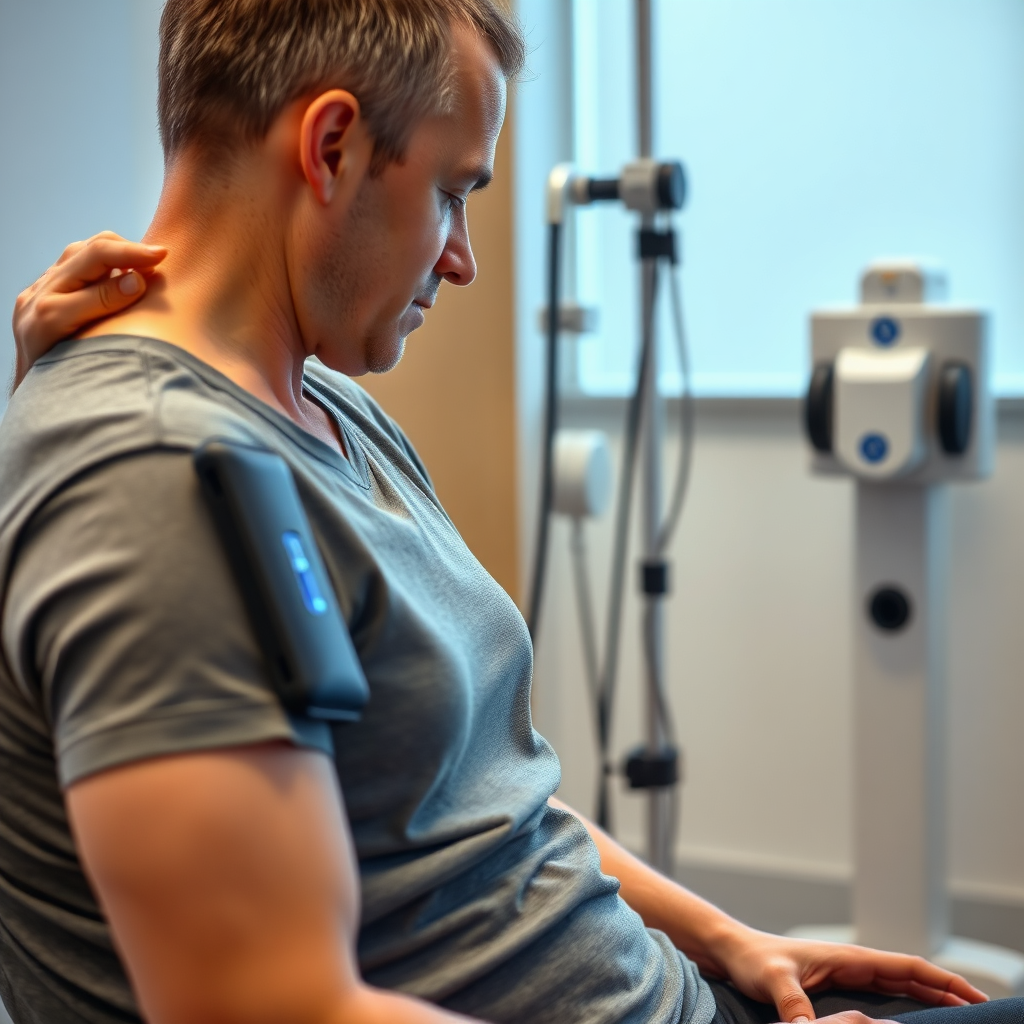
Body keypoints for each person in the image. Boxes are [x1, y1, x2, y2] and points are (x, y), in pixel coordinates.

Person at [0, 2, 1017, 1024]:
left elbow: (469, 797)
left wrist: (725, 938)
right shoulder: (157, 469)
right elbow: (268, 1005)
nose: (461, 259)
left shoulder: (327, 409)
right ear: (333, 146)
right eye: (451, 192)